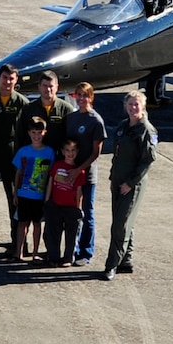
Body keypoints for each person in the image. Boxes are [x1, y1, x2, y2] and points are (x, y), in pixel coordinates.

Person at [100, 92, 158, 279]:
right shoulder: (123, 127)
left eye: (137, 104)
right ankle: (126, 260)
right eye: (130, 104)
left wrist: (130, 183)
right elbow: (116, 156)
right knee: (123, 220)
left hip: (133, 184)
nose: (133, 108)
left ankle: (111, 265)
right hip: (118, 180)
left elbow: (147, 161)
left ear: (143, 107)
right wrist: (112, 178)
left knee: (120, 225)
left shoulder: (146, 131)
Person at [0, 63, 31, 245]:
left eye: (11, 78)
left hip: (13, 155)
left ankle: (16, 236)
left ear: (16, 80)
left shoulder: (22, 103)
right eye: (4, 77)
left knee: (14, 196)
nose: (7, 81)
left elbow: (28, 132)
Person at [64, 84, 108, 265]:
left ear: (91, 97)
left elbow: (96, 153)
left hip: (87, 175)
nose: (81, 98)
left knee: (86, 213)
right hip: (71, 174)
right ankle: (71, 250)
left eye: (85, 95)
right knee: (72, 212)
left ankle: (86, 252)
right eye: (78, 95)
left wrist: (79, 169)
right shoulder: (72, 118)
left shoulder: (95, 121)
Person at [10, 117, 54, 263]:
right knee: (22, 223)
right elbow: (18, 172)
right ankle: (18, 252)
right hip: (23, 193)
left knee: (37, 224)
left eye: (39, 132)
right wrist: (15, 193)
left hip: (39, 195)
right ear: (29, 133)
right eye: (34, 132)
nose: (37, 136)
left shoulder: (49, 152)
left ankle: (35, 253)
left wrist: (48, 196)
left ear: (44, 133)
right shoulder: (23, 151)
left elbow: (51, 176)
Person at [43, 138, 86, 266]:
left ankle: (68, 258)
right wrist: (47, 199)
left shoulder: (80, 171)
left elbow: (79, 191)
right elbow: (51, 182)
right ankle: (53, 257)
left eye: (73, 150)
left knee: (71, 234)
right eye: (67, 150)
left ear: (77, 152)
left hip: (71, 206)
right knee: (52, 233)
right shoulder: (57, 165)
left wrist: (78, 207)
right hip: (55, 204)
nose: (70, 153)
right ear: (62, 151)